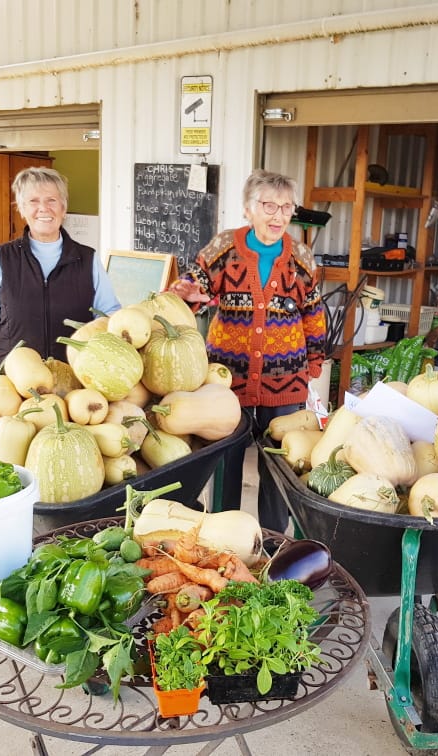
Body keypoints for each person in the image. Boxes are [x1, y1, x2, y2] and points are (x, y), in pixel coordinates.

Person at [169, 169, 327, 532]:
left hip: (285, 378)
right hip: (227, 374)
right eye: (268, 205)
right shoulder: (224, 246)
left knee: (279, 462)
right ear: (248, 209)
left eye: (286, 207)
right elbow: (198, 282)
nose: (277, 215)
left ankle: (274, 537)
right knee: (225, 458)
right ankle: (224, 533)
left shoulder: (301, 256)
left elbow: (313, 312)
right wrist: (189, 292)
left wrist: (314, 362)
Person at [0, 167, 121, 392]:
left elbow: (110, 318)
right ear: (21, 209)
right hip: (11, 385)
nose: (43, 208)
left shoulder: (88, 259)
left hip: (74, 385)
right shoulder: (0, 259)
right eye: (33, 201)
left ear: (63, 207)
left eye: (52, 200)